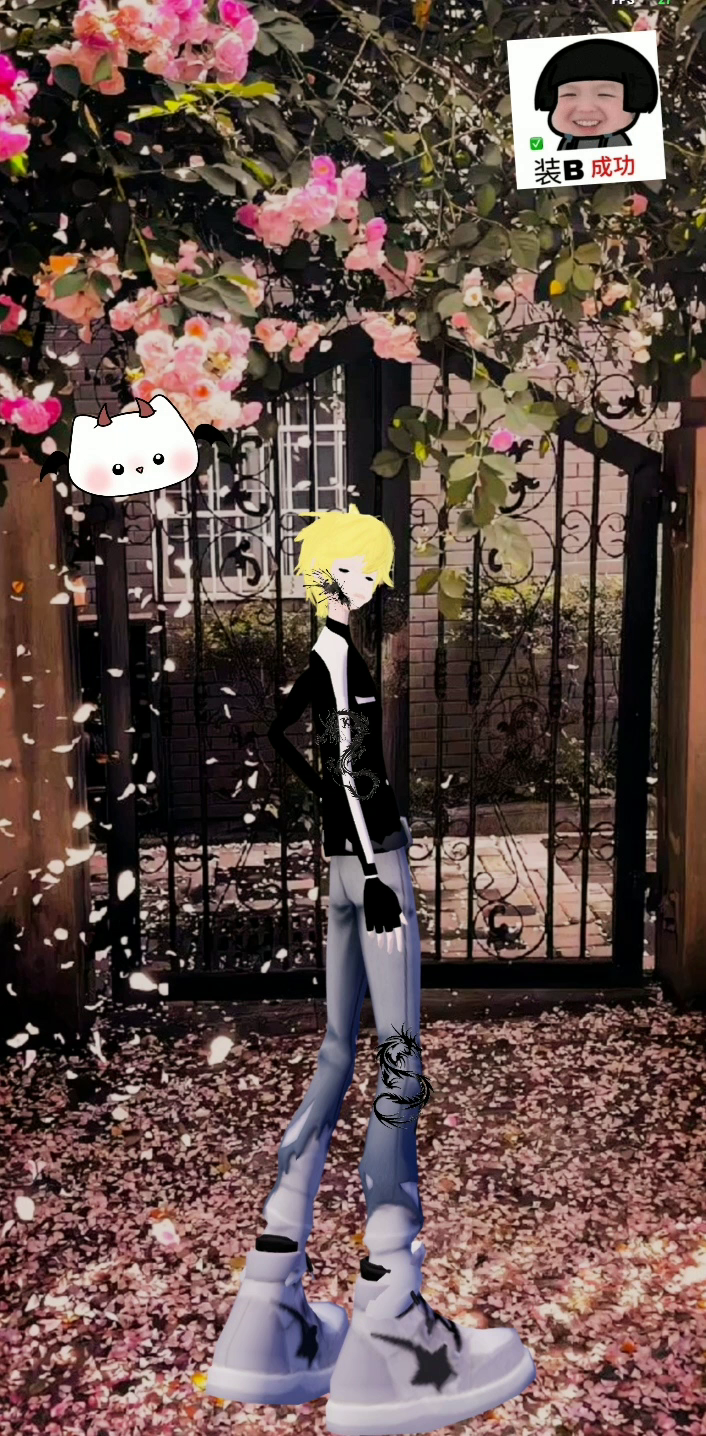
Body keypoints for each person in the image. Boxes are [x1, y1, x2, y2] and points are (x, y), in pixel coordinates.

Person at [204, 505, 535, 1435]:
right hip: (374, 862)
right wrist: (374, 862)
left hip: (338, 868)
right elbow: (353, 770)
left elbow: (283, 736)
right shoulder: (344, 656)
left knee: (334, 1054)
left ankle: (267, 1310)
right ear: (335, 573)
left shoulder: (319, 655)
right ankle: (391, 1316)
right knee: (398, 1062)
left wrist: (331, 827)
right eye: (361, 568)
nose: (373, 582)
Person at [534, 37, 659, 150]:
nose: (585, 108)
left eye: (605, 94)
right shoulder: (568, 143)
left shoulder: (617, 145)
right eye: (569, 94)